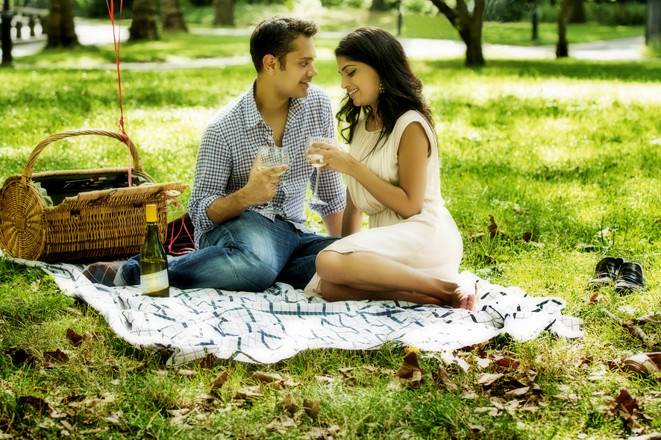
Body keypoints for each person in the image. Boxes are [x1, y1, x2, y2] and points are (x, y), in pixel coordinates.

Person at [83, 17, 346, 291]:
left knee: (354, 258)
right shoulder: (223, 129)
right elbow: (199, 213)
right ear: (270, 63)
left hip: (293, 233)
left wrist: (343, 245)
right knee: (257, 262)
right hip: (242, 228)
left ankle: (261, 269)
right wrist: (248, 195)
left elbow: (327, 188)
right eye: (303, 63)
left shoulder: (316, 106)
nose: (313, 71)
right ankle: (139, 271)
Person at [304, 27, 475, 310]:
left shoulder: (410, 125)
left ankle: (445, 287)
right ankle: (432, 297)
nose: (344, 83)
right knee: (331, 284)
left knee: (325, 260)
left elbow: (410, 205)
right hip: (389, 248)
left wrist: (351, 166)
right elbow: (354, 206)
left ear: (380, 69)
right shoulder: (361, 124)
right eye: (342, 75)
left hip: (423, 235)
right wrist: (347, 255)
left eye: (351, 72)